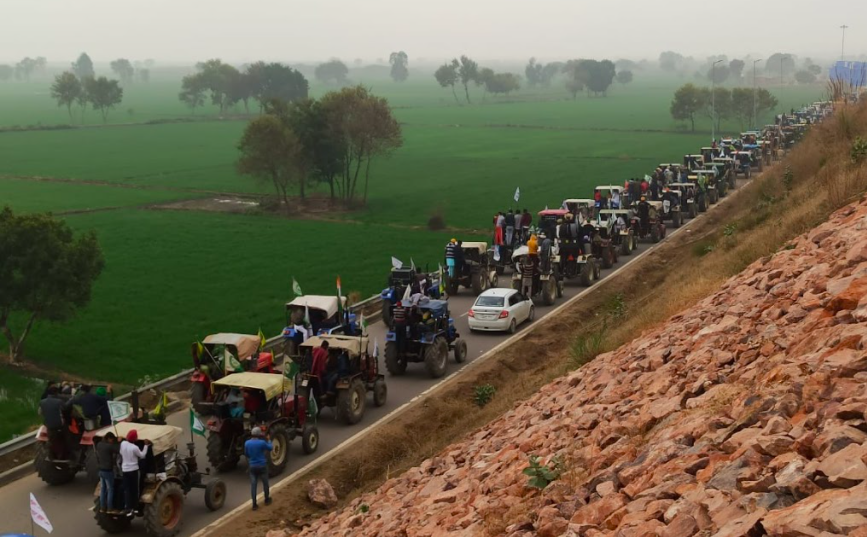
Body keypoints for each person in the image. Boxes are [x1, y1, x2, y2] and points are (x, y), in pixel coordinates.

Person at [120, 429, 150, 516]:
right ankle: (135, 507)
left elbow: (121, 452)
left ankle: (127, 507)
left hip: (125, 470)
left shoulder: (123, 444)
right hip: (133, 470)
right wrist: (146, 445)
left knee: (127, 489)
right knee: (134, 489)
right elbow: (142, 455)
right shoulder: (134, 447)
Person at [244, 427, 273, 511]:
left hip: (252, 467)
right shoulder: (262, 443)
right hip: (262, 466)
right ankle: (267, 499)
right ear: (259, 434)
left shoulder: (247, 443)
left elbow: (246, 454)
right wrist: (269, 440)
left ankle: (254, 504)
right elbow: (270, 448)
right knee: (265, 483)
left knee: (253, 485)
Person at [96, 432, 120, 513]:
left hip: (101, 471)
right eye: (112, 439)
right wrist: (119, 441)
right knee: (110, 489)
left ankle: (102, 507)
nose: (112, 441)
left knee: (103, 489)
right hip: (108, 471)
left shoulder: (99, 444)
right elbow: (118, 449)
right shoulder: (109, 446)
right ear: (109, 438)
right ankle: (110, 508)